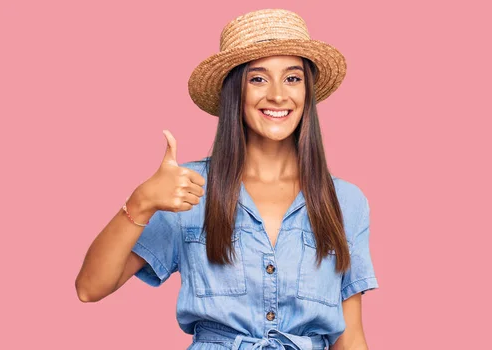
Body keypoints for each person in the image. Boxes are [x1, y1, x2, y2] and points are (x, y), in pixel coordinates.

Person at [75, 8, 378, 350]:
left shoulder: (346, 202)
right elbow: (90, 287)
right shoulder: (188, 190)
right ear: (235, 91)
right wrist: (141, 202)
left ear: (306, 90)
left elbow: (350, 336)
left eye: (292, 78)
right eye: (258, 78)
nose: (278, 95)